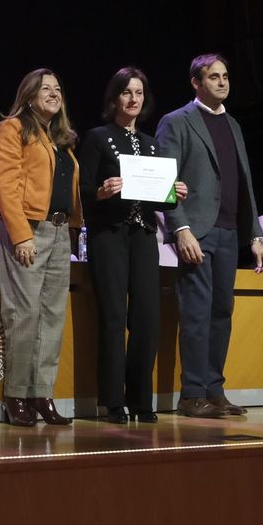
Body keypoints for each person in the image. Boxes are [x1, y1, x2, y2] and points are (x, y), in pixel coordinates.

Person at [155, 54, 263, 419]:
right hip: (198, 231)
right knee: (196, 313)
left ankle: (213, 390)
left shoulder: (233, 124)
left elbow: (245, 181)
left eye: (225, 76)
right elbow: (165, 182)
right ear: (196, 82)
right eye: (213, 76)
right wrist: (181, 228)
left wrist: (254, 233)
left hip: (230, 230)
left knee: (222, 311)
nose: (222, 82)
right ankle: (191, 395)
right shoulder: (177, 122)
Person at [79, 67, 187, 423]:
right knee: (112, 317)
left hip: (142, 236)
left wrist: (174, 194)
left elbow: (156, 199)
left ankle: (142, 399)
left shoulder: (152, 143)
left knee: (147, 318)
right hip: (108, 234)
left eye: (139, 93)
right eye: (127, 92)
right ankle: (112, 401)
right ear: (114, 98)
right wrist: (101, 191)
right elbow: (83, 194)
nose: (133, 99)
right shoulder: (97, 137)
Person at [0, 69, 82, 427]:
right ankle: (16, 396)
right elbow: (5, 183)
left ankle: (42, 394)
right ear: (29, 95)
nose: (53, 93)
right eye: (46, 88)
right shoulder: (13, 128)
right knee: (24, 315)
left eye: (58, 88)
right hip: (29, 229)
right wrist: (20, 234)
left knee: (52, 317)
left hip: (60, 231)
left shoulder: (61, 138)